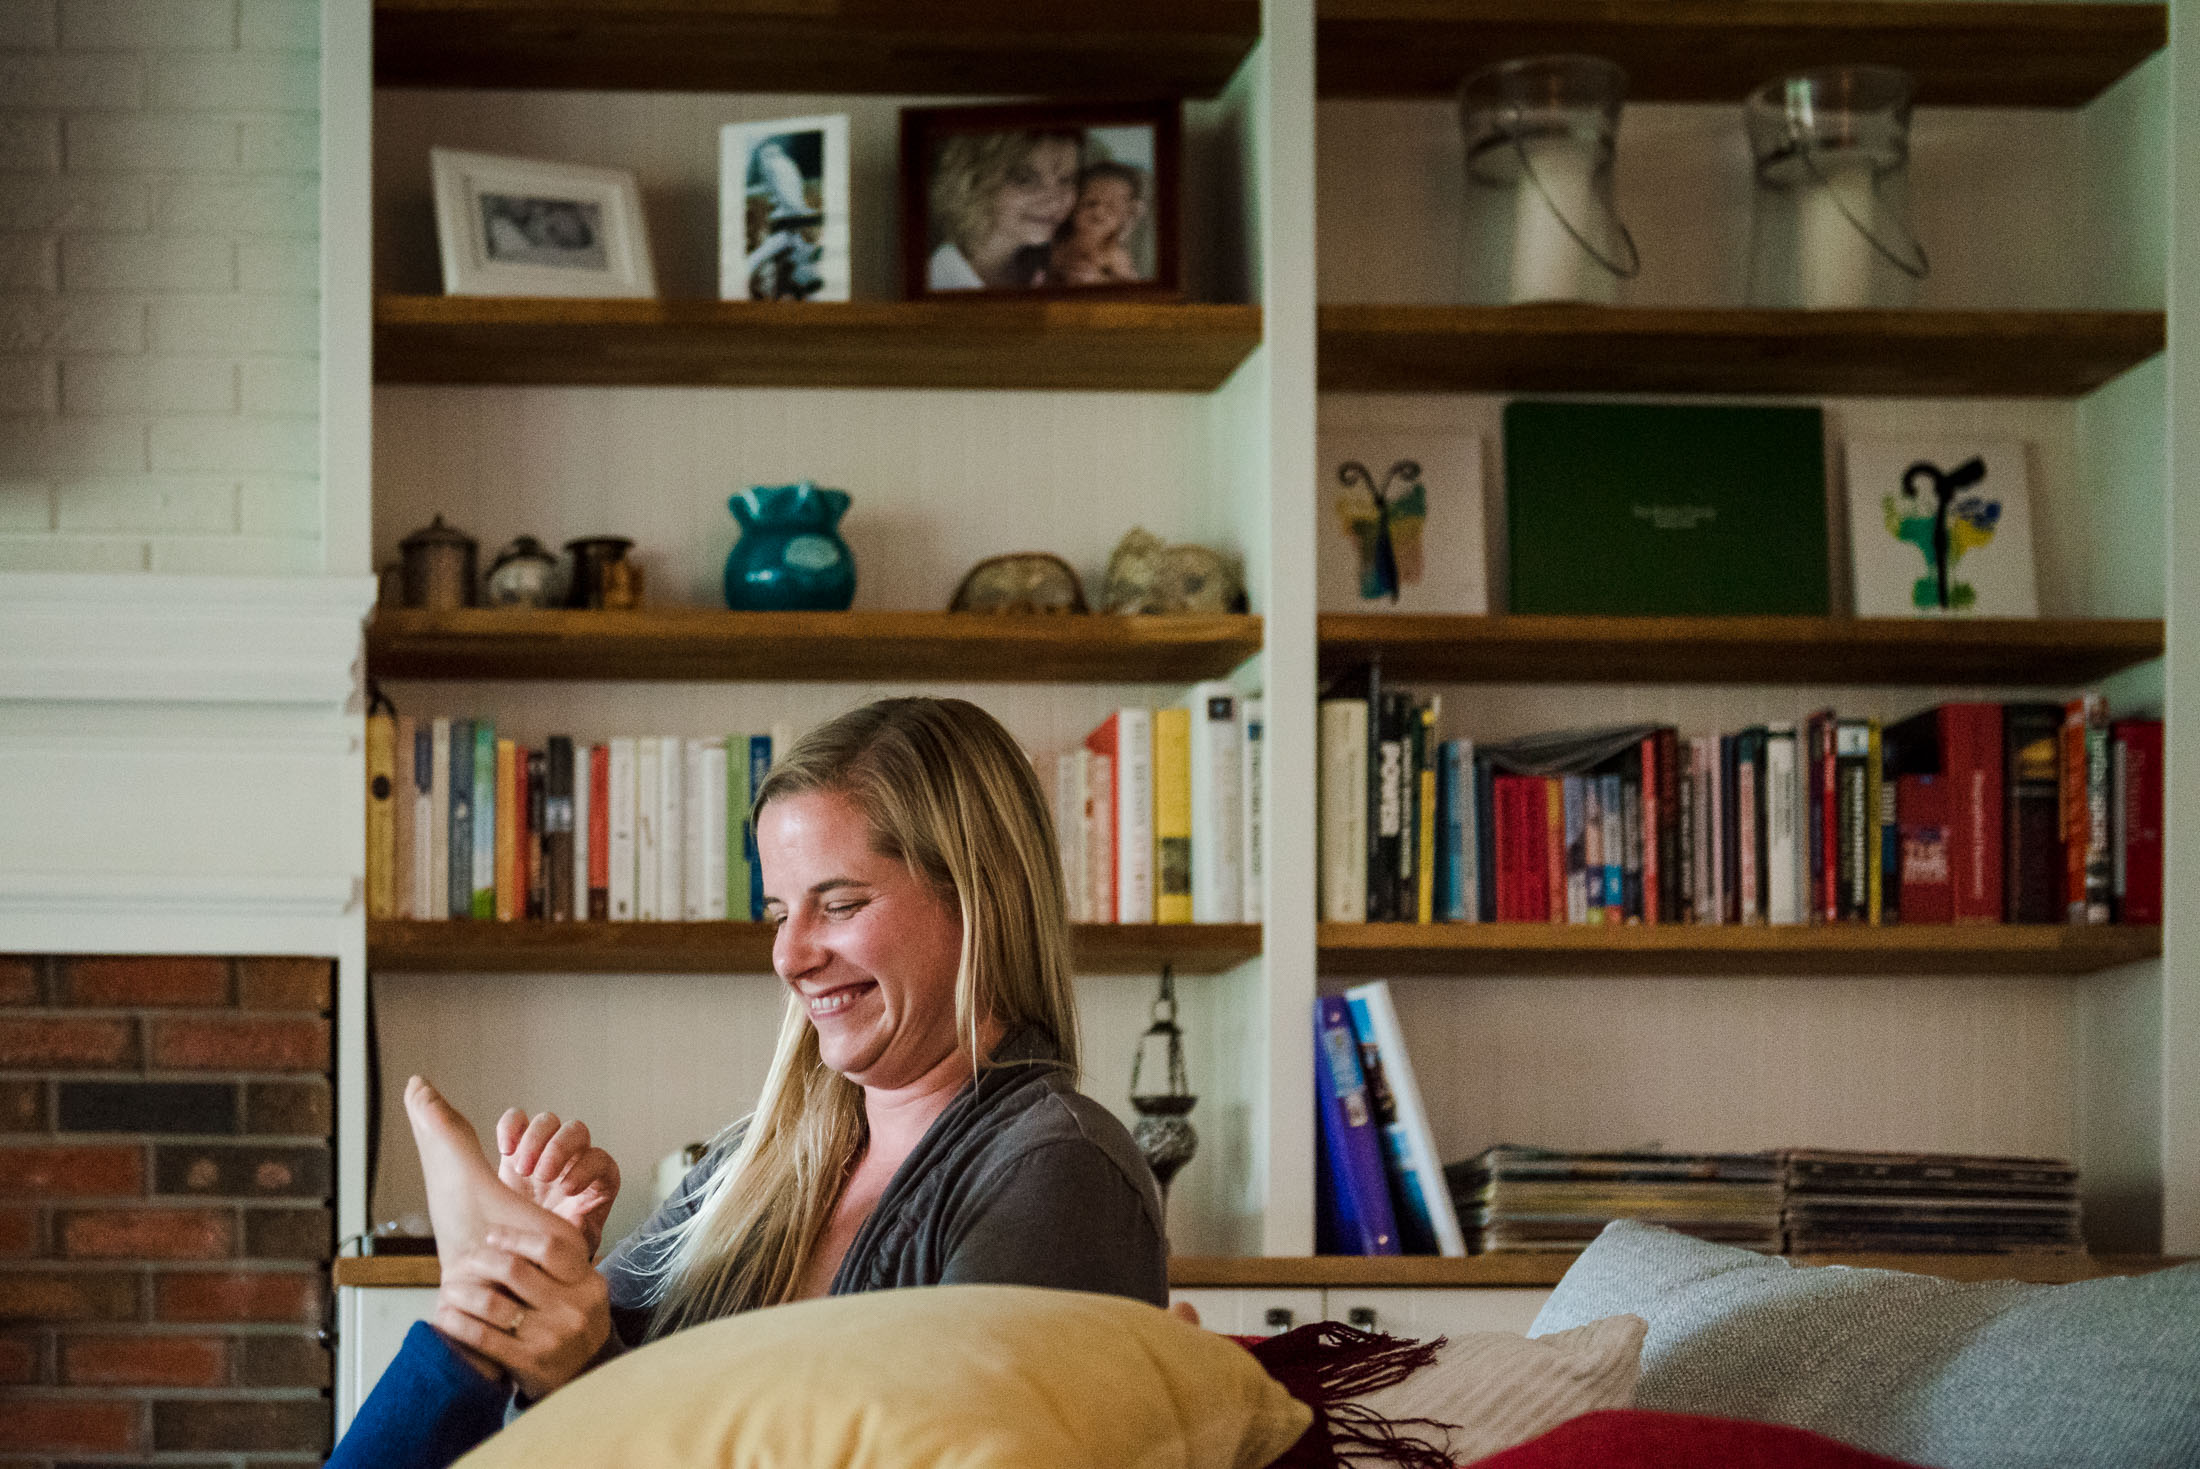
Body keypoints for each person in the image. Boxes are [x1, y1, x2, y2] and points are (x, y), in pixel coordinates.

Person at [329, 696, 1169, 1468]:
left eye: (838, 905)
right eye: (778, 911)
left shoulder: (1058, 1169)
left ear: (980, 896)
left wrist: (581, 1367)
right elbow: (557, 1418)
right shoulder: (747, 1163)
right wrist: (534, 1272)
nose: (790, 954)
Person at [926, 131, 1080, 290]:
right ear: (974, 182)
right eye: (1025, 179)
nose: (1055, 200)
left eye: (1066, 179)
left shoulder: (1054, 262)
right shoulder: (937, 279)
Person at [1049, 162, 1147, 287]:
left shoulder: (1114, 254)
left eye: (1112, 206)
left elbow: (1132, 290)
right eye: (1090, 203)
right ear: (1072, 205)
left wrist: (1099, 279)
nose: (1099, 212)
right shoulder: (1058, 243)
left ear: (1126, 215)